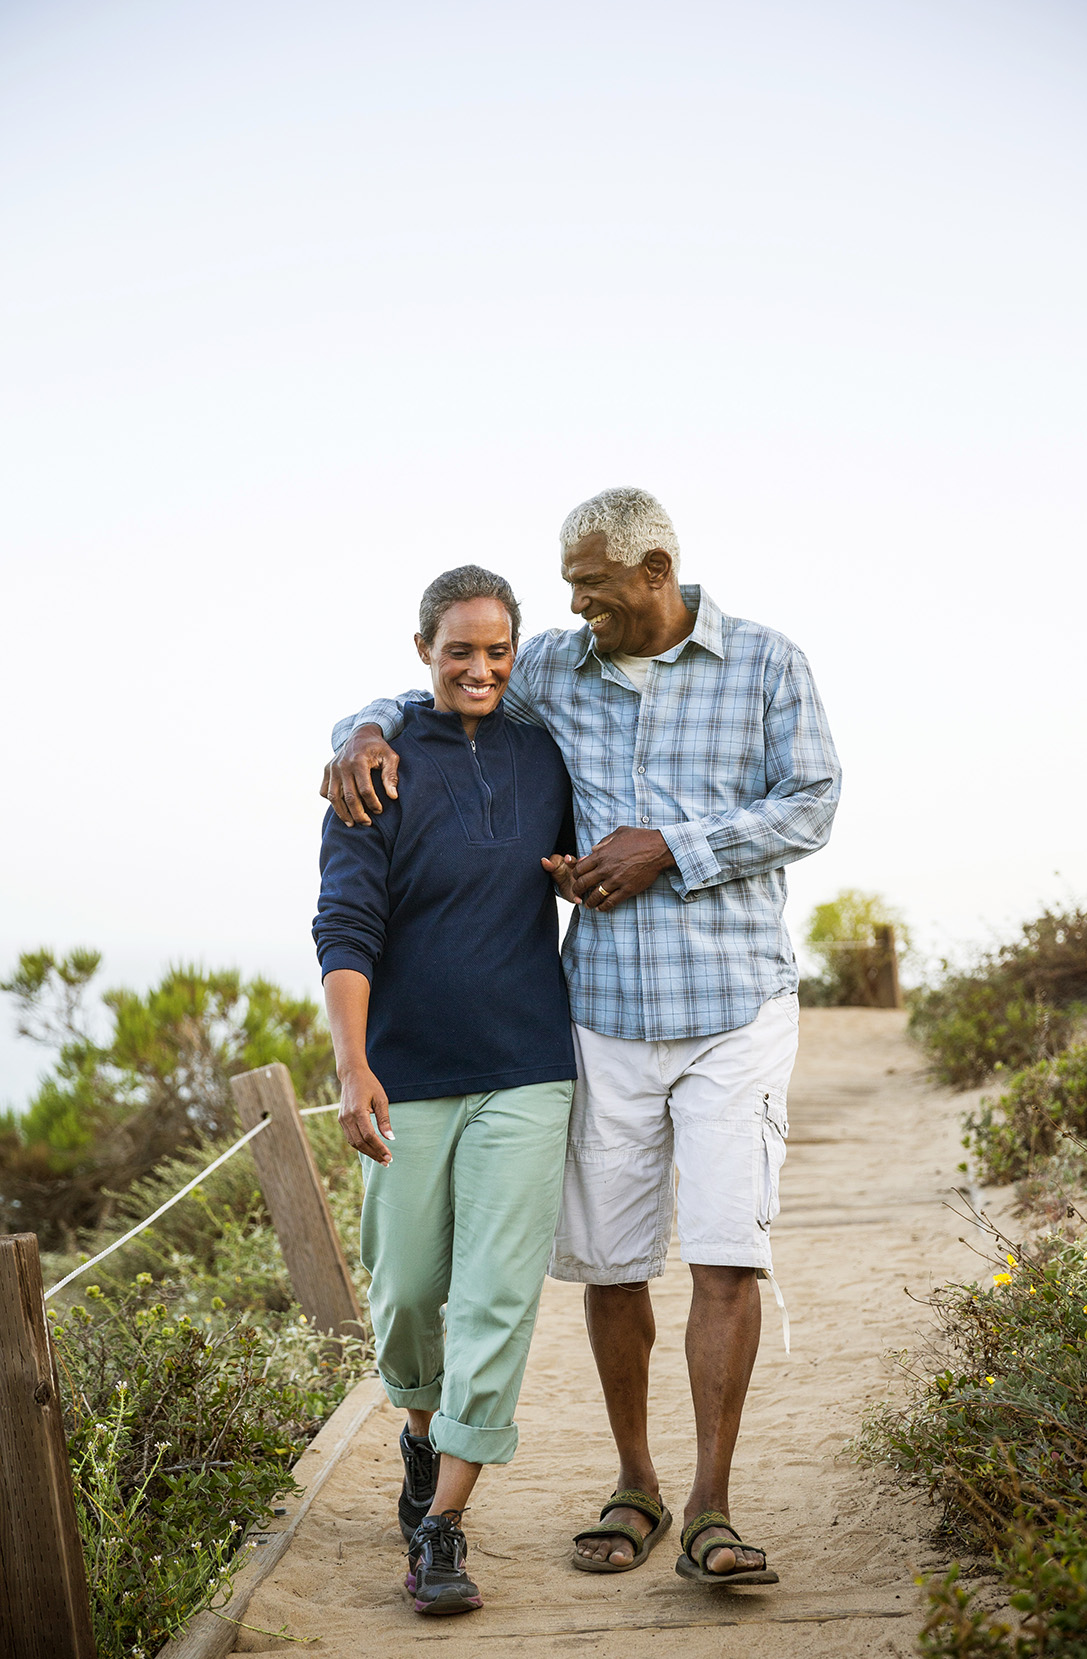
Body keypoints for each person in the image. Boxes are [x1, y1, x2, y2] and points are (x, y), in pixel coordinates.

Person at [322, 487, 841, 1589]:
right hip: (599, 1012)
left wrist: (672, 847)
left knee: (720, 1253)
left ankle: (709, 1506)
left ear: (653, 569)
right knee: (610, 1269)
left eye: (592, 589)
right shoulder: (557, 667)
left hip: (733, 1007)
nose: (576, 607)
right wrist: (353, 731)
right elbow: (447, 677)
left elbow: (812, 802)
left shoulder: (764, 664)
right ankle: (634, 1482)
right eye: (568, 591)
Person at [313, 565, 578, 1617]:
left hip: (527, 1064)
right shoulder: (371, 767)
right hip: (407, 1073)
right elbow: (345, 922)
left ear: (516, 651)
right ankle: (418, 1438)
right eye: (459, 650)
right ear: (423, 649)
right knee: (411, 1292)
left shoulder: (544, 750)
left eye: (497, 649)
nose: (480, 668)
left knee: (495, 1297)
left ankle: (443, 1526)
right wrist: (352, 1062)